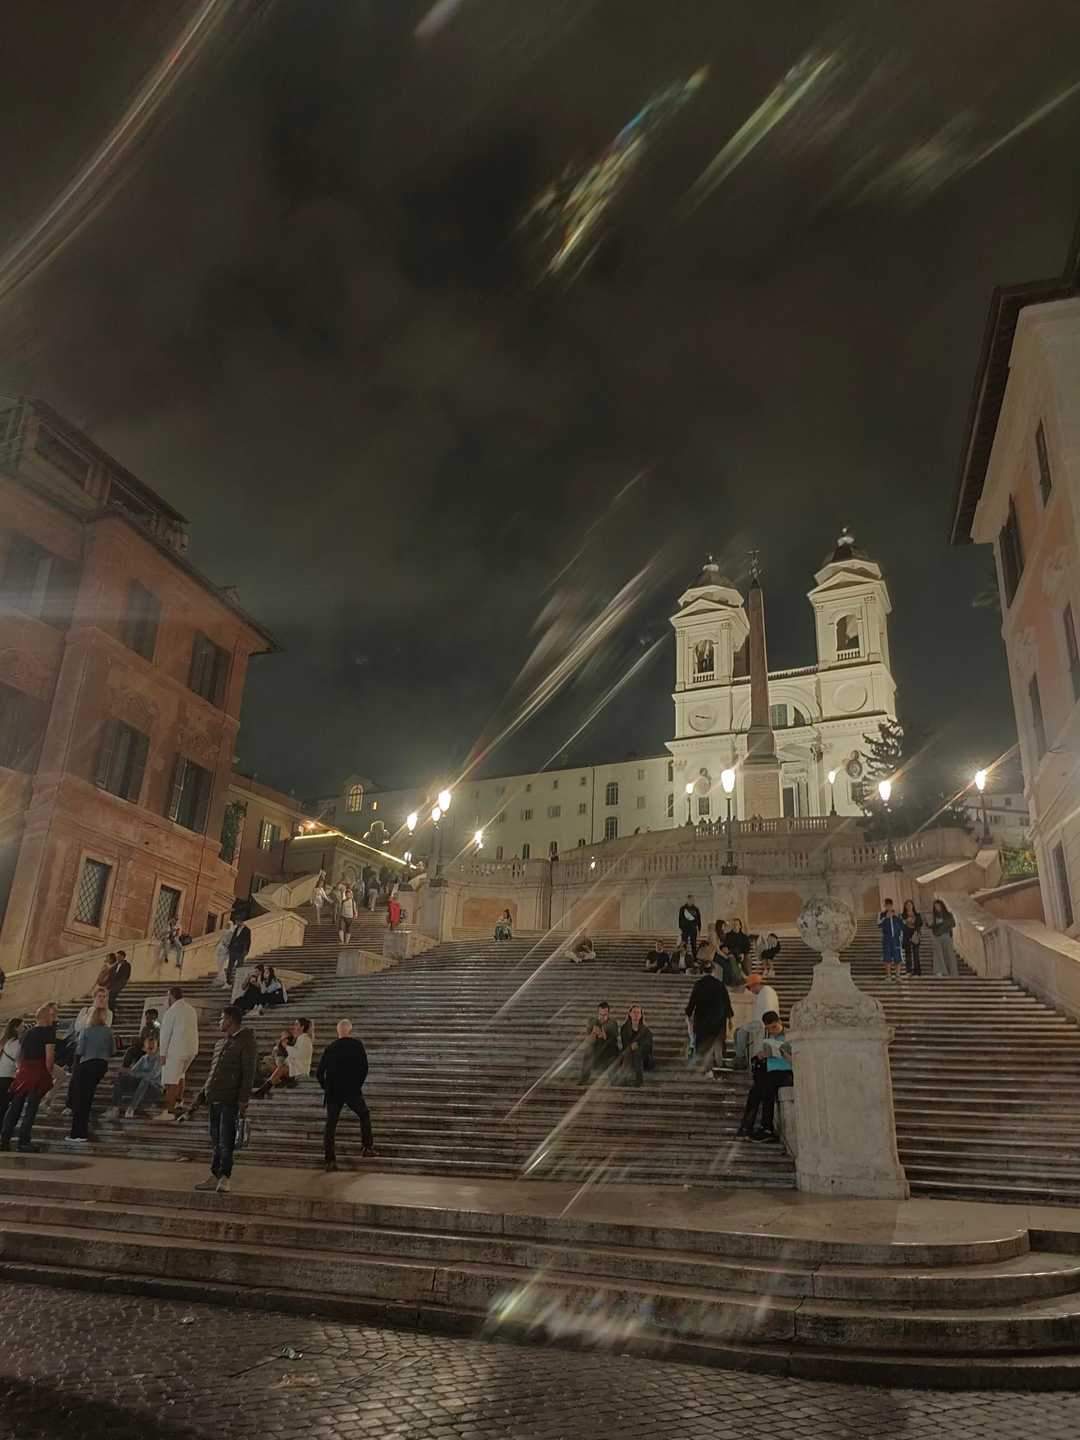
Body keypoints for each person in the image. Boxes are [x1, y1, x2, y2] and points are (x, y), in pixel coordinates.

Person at [186, 1005, 257, 1195]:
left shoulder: (246, 1042)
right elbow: (212, 1074)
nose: (219, 1021)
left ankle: (225, 1177)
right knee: (216, 1140)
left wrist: (243, 1100)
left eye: (222, 1018)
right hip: (214, 1098)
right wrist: (200, 1098)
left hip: (230, 1099)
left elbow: (248, 1073)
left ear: (230, 1020)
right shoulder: (220, 1044)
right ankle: (215, 1174)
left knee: (226, 1141)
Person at [317, 1019, 376, 1171]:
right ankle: (367, 1147)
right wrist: (357, 1084)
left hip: (333, 1092)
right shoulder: (357, 1045)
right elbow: (364, 1067)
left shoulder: (330, 1047)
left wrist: (326, 1087)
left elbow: (319, 1073)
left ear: (338, 1032)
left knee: (330, 1125)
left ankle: (330, 1160)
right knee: (364, 1114)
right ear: (350, 1031)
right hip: (352, 1090)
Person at [0, 1003, 58, 1153]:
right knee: (31, 1109)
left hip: (24, 1071)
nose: (54, 1018)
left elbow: (21, 1055)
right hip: (38, 1071)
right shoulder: (48, 1032)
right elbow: (49, 1056)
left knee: (15, 1107)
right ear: (46, 1017)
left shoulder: (26, 1033)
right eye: (52, 1015)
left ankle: (4, 1140)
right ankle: (23, 1142)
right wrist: (49, 1073)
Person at [737, 1011, 793, 1141]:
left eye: (774, 1027)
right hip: (770, 1072)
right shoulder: (767, 1038)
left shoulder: (790, 1035)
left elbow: (798, 1059)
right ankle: (746, 1127)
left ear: (780, 1022)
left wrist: (785, 1055)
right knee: (755, 1091)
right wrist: (761, 1055)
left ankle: (767, 1128)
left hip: (786, 1072)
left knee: (767, 1089)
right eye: (769, 1028)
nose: (772, 1031)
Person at [66, 1002, 114, 1143]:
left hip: (87, 1065)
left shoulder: (86, 1031)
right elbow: (112, 1050)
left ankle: (78, 1133)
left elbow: (80, 1050)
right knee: (88, 1097)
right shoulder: (108, 1031)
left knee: (81, 1100)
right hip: (101, 1065)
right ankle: (82, 1132)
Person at [685, 957, 734, 1078]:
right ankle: (719, 1063)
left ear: (702, 971)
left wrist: (688, 1014)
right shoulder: (720, 984)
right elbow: (727, 1002)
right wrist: (730, 1019)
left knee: (705, 1044)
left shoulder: (698, 985)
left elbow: (692, 1002)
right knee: (717, 1043)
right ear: (713, 971)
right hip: (718, 1019)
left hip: (702, 1020)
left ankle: (708, 1069)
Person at [158, 986, 199, 1116]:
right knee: (181, 1075)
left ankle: (169, 1111)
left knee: (171, 1080)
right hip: (191, 1049)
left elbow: (165, 1034)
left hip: (176, 1050)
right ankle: (179, 1103)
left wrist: (162, 1054)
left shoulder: (171, 1011)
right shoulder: (191, 1009)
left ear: (171, 996)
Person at [252, 1018, 314, 1098]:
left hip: (300, 1070)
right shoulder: (301, 1038)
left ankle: (262, 1091)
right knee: (273, 1065)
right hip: (296, 1068)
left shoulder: (304, 1038)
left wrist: (286, 1046)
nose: (294, 1027)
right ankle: (267, 1088)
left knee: (280, 1068)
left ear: (302, 1027)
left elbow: (297, 1054)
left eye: (296, 1024)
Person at [107, 1030, 162, 1117]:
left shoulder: (159, 1059)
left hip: (155, 1087)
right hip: (141, 1084)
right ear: (144, 1047)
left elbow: (152, 1075)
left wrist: (136, 1073)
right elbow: (133, 1071)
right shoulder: (144, 1058)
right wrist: (125, 1072)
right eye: (148, 1046)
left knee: (145, 1080)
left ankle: (131, 1108)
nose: (150, 1047)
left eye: (152, 1045)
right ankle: (115, 1108)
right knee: (121, 1079)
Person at [579, 1002, 619, 1084]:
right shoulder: (592, 1021)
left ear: (608, 1013)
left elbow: (613, 1036)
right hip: (596, 1052)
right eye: (600, 1014)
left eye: (605, 1015)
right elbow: (588, 1039)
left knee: (612, 1056)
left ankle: (614, 1081)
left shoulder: (613, 1022)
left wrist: (603, 1034)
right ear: (597, 1013)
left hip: (609, 1052)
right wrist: (593, 1033)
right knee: (588, 1052)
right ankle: (584, 1079)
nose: (602, 1017)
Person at [618, 1003, 654, 1087]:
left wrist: (638, 1046)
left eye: (638, 1012)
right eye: (634, 1012)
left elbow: (648, 1047)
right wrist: (631, 1047)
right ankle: (623, 1078)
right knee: (628, 1051)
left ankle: (638, 1080)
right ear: (630, 1014)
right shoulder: (624, 1029)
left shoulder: (646, 1031)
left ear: (641, 1015)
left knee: (637, 1052)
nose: (636, 1015)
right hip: (629, 1054)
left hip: (643, 1058)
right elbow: (625, 1044)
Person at [0, 1018, 23, 1130]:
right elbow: (17, 1061)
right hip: (8, 1076)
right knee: (5, 1106)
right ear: (16, 1028)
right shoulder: (17, 1043)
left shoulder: (5, 1041)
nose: (23, 1028)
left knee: (2, 1105)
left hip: (1, 1074)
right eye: (21, 1026)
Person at [878, 898, 906, 982]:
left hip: (896, 939)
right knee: (887, 957)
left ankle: (898, 975)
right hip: (887, 939)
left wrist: (897, 916)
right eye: (886, 905)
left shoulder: (897, 914)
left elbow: (903, 925)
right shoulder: (881, 914)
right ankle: (888, 975)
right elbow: (879, 924)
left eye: (889, 905)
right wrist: (885, 918)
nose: (888, 907)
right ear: (884, 906)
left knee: (898, 957)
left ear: (892, 905)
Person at [930, 899, 959, 976]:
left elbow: (953, 924)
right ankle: (940, 971)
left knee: (949, 954)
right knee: (938, 954)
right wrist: (931, 924)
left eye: (938, 906)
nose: (937, 908)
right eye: (935, 906)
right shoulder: (934, 916)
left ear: (942, 906)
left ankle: (952, 971)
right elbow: (932, 926)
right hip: (937, 936)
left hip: (946, 935)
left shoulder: (948, 915)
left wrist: (943, 923)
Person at [226, 916, 252, 987]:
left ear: (240, 921)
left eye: (237, 922)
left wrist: (246, 950)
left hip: (241, 951)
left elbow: (248, 941)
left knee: (239, 967)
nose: (236, 923)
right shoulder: (236, 929)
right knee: (230, 966)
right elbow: (233, 938)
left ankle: (237, 981)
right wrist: (229, 947)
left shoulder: (247, 930)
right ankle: (228, 980)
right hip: (233, 950)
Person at [900, 900, 923, 976]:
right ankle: (908, 971)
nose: (909, 906)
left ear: (913, 906)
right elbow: (900, 925)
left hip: (915, 934)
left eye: (910, 905)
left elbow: (920, 923)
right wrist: (905, 922)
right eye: (907, 905)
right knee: (908, 954)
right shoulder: (902, 915)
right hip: (906, 934)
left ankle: (917, 971)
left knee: (916, 954)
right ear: (905, 907)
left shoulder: (917, 914)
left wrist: (914, 923)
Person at [678, 894, 702, 959]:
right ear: (688, 900)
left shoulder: (696, 909)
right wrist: (680, 928)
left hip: (693, 929)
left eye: (693, 900)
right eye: (691, 899)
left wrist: (699, 929)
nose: (692, 901)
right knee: (684, 944)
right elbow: (680, 919)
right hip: (685, 929)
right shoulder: (682, 908)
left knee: (693, 944)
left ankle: (695, 958)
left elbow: (699, 920)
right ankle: (684, 959)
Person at [215, 918, 236, 988]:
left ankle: (224, 979)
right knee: (219, 965)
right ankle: (221, 978)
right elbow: (220, 940)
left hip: (225, 951)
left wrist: (226, 947)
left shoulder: (231, 933)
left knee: (221, 965)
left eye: (228, 925)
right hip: (220, 950)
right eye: (227, 924)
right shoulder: (225, 932)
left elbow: (229, 943)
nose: (227, 926)